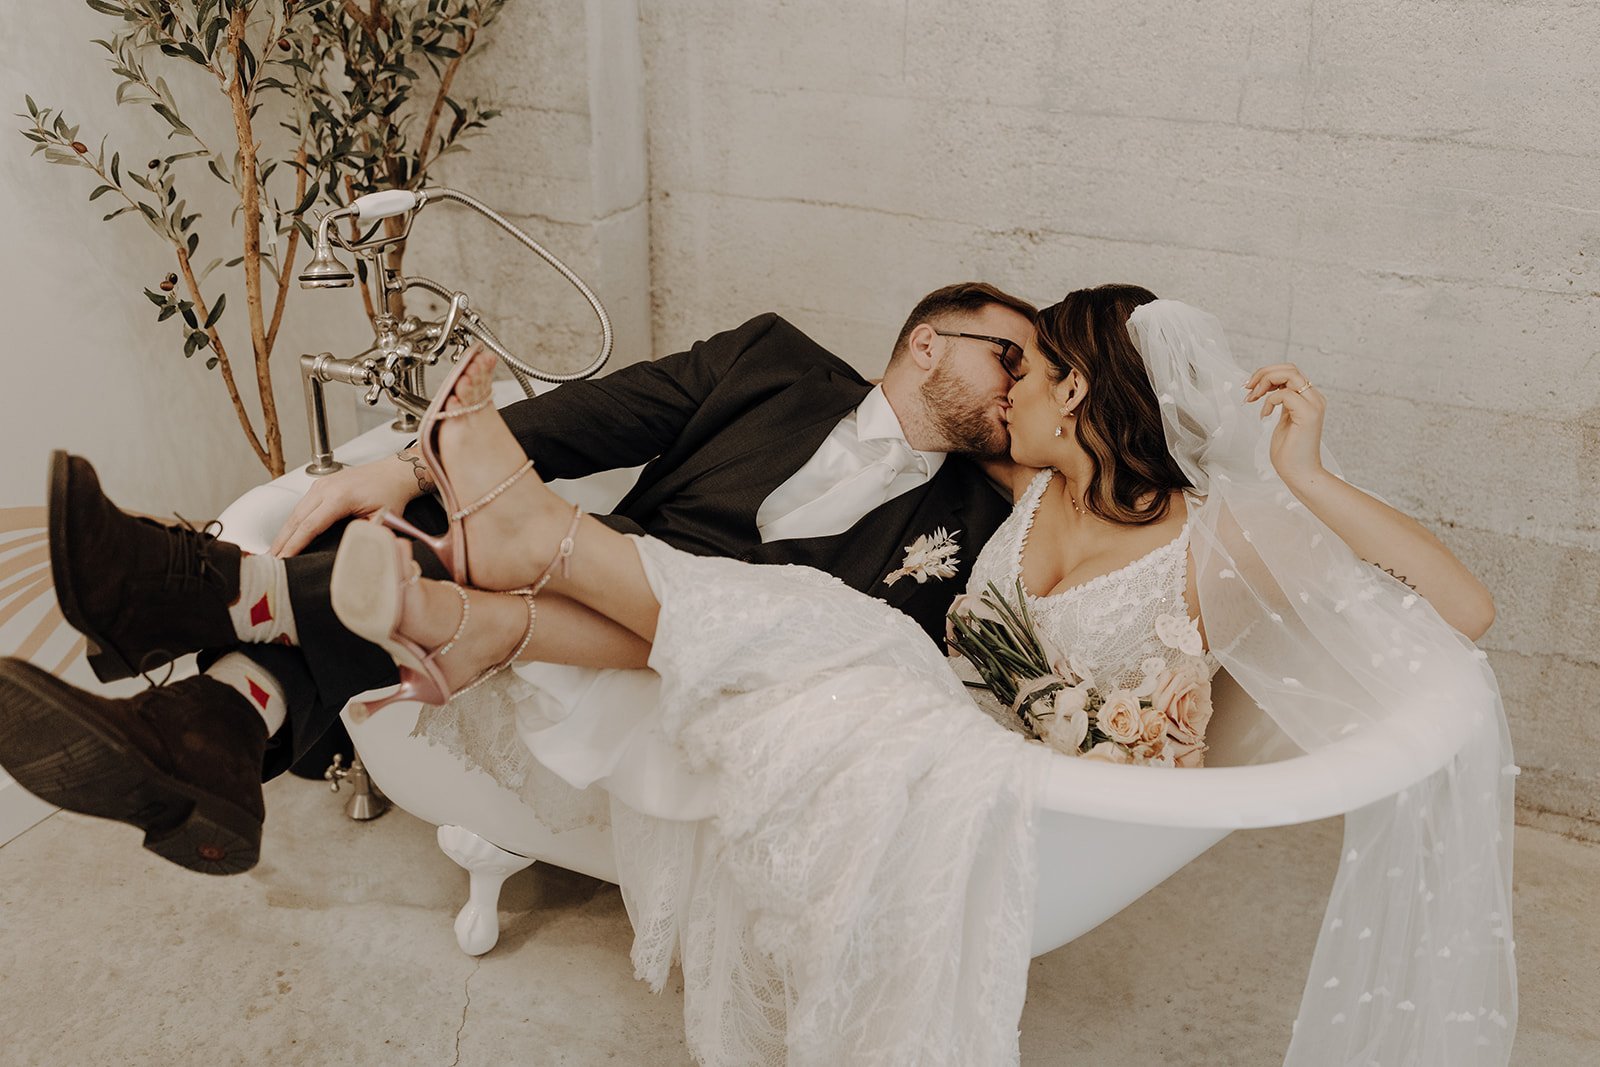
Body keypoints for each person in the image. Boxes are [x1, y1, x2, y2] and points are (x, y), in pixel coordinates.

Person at [323, 285, 1512, 1065]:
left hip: (1032, 781)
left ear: (1077, 390)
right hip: (930, 722)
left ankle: (519, 577)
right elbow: (896, 451)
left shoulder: (1217, 536)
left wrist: (1299, 470)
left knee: (831, 631)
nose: (1009, 398)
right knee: (814, 623)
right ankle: (493, 611)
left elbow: (1461, 611)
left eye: (1029, 373)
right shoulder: (1029, 487)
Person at [0, 282, 1036, 874]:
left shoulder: (982, 520)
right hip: (570, 578)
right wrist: (403, 461)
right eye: (1010, 358)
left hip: (691, 673)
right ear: (926, 340)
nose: (1018, 390)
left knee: (458, 554)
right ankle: (219, 726)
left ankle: (203, 605)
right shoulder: (772, 360)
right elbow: (586, 421)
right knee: (403, 514)